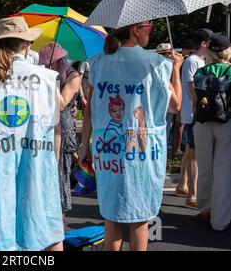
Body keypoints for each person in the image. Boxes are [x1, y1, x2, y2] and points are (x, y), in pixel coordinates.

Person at [81, 20, 183, 251]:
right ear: (136, 31)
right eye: (148, 29)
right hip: (143, 153)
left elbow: (89, 109)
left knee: (112, 214)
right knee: (140, 216)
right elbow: (175, 106)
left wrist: (83, 146)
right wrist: (175, 69)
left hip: (108, 151)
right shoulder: (157, 63)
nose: (150, 33)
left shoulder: (99, 63)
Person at [0, 16, 64, 251]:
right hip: (37, 162)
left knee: (3, 227)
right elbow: (56, 125)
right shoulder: (47, 78)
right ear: (25, 45)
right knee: (45, 223)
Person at [193, 34, 231, 231]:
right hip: (225, 123)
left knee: (205, 167)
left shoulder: (200, 71)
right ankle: (220, 220)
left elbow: (194, 101)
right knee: (223, 172)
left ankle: (205, 209)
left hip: (201, 122)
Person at [39, 42, 81, 217]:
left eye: (51, 62)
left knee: (60, 172)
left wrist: (50, 80)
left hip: (62, 130)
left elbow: (62, 104)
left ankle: (59, 218)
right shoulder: (44, 75)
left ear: (60, 61)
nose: (47, 66)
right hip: (44, 128)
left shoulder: (73, 76)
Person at [176, 29, 212, 207]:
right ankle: (192, 193)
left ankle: (182, 184)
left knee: (190, 150)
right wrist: (199, 105)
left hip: (193, 112)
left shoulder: (199, 60)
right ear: (204, 43)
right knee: (194, 153)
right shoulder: (192, 61)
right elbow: (192, 86)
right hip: (193, 112)